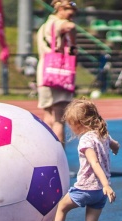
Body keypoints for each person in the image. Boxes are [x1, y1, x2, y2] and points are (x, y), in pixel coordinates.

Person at [33, 98, 120, 221]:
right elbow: (113, 144)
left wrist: (106, 185)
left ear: (80, 123)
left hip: (86, 188)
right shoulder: (102, 134)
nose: (71, 128)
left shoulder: (86, 141)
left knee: (62, 207)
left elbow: (94, 164)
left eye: (72, 124)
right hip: (98, 193)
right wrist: (115, 147)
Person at [36, 0, 77, 147]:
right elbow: (70, 27)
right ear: (59, 9)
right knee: (59, 119)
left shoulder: (43, 26)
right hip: (60, 73)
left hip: (45, 72)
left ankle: (46, 155)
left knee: (48, 115)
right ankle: (59, 162)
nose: (70, 15)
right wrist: (73, 44)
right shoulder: (59, 23)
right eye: (68, 11)